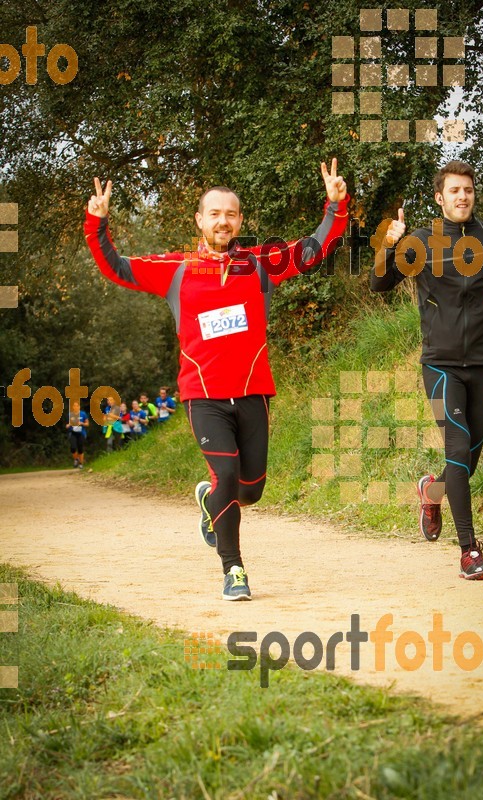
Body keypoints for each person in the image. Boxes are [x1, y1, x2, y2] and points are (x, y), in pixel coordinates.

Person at [85, 159, 349, 599]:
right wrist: (98, 222)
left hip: (253, 392)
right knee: (226, 475)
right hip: (203, 396)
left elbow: (312, 250)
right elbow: (116, 266)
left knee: (251, 489)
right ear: (200, 221)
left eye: (230, 214)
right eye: (214, 213)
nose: (222, 221)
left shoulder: (260, 263)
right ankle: (234, 570)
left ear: (240, 220)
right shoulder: (177, 269)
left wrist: (335, 206)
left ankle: (211, 501)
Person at [371, 160, 483, 580]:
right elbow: (379, 284)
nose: (463, 196)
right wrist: (387, 246)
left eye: (469, 190)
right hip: (441, 365)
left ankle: (432, 490)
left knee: (469, 460)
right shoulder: (420, 242)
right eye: (455, 191)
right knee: (458, 450)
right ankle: (469, 551)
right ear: (440, 198)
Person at [66, 401, 89, 468]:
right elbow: (67, 425)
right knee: (73, 448)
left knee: (80, 448)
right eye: (74, 406)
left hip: (81, 433)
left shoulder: (83, 414)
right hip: (73, 433)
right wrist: (69, 425)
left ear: (79, 407)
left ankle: (81, 464)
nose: (76, 407)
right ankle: (76, 459)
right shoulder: (70, 415)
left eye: (77, 406)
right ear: (73, 407)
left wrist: (82, 423)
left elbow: (87, 424)